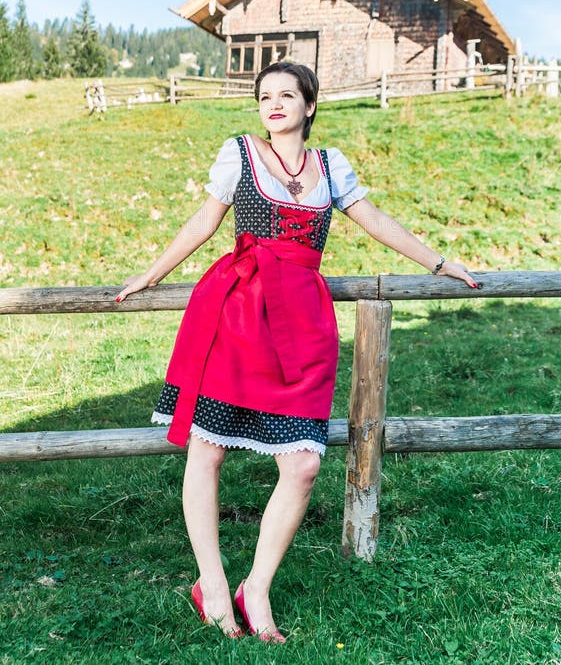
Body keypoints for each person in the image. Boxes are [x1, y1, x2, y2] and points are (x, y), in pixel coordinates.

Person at [115, 61, 478, 642]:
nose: (274, 104)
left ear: (310, 105)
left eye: (287, 94)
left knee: (304, 464)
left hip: (304, 322)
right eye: (265, 96)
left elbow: (375, 220)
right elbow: (204, 222)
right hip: (237, 313)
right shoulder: (239, 154)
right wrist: (149, 275)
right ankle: (213, 585)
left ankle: (255, 587)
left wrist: (439, 262)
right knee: (207, 452)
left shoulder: (330, 166)